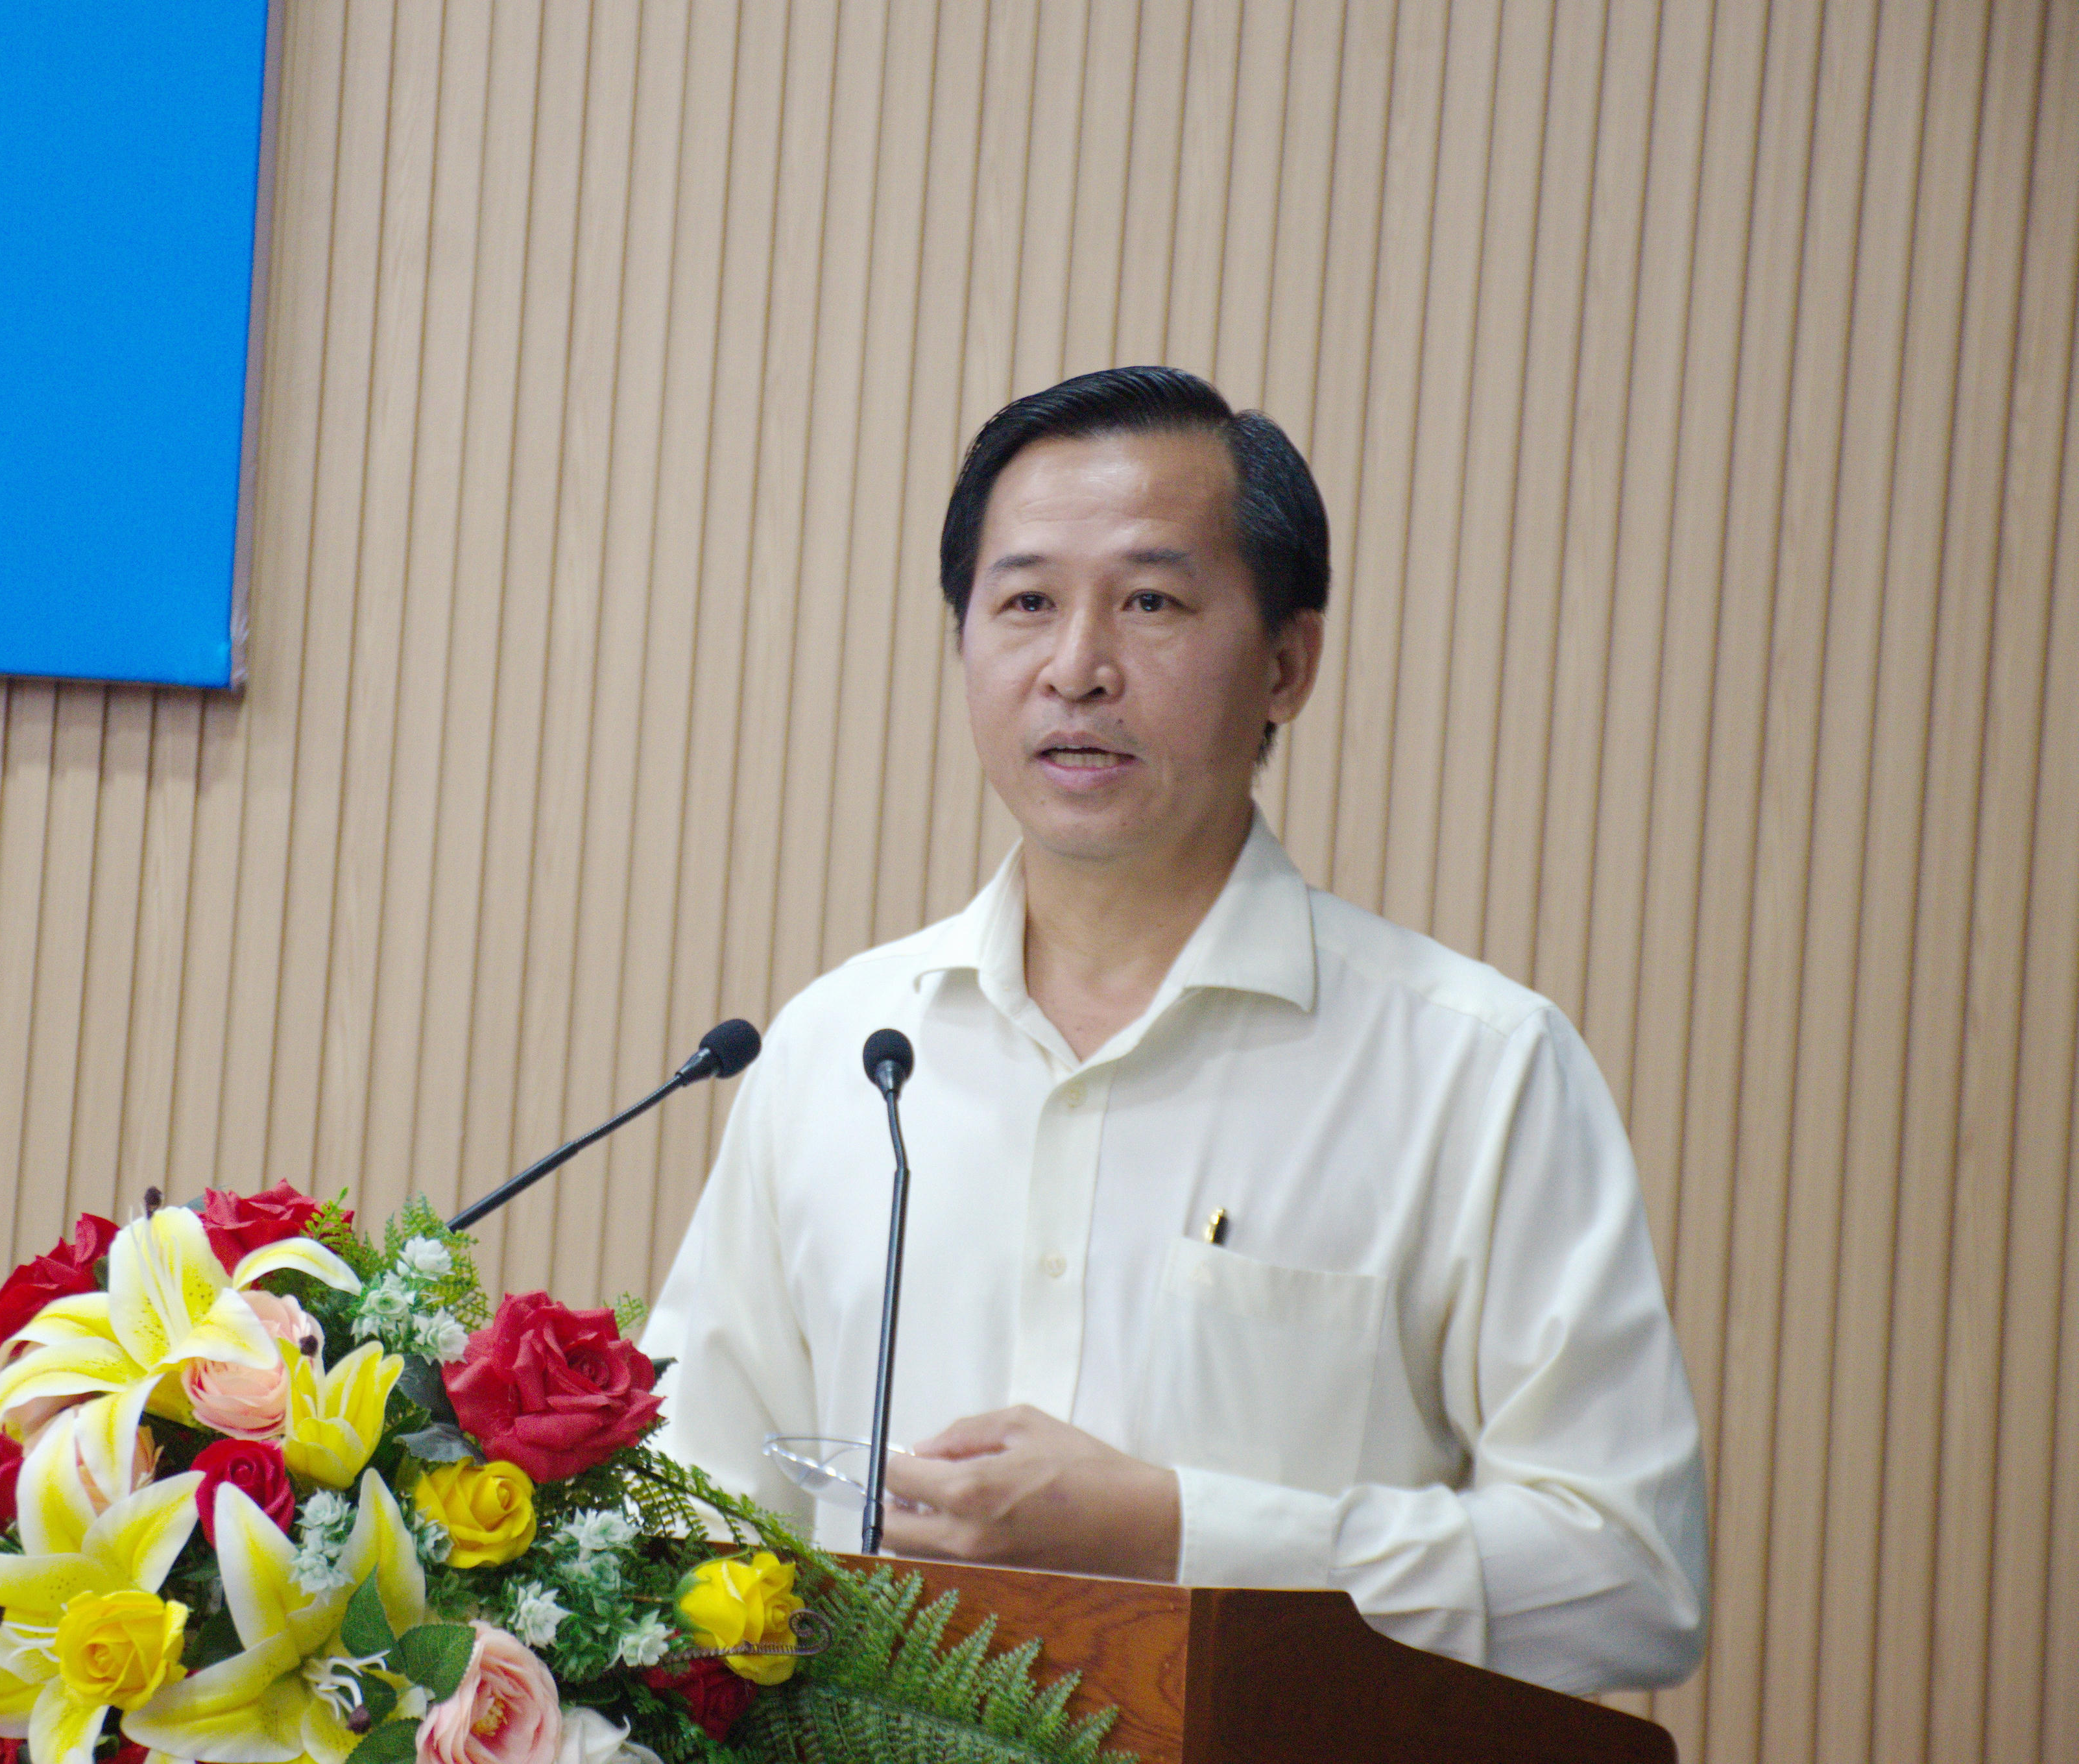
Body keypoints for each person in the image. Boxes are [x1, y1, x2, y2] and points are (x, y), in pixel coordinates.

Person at [639, 366, 1708, 1694]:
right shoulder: (837, 1048)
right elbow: (686, 1498)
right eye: (1026, 603)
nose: (1076, 668)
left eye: (1150, 602)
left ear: (1287, 664)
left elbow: (1631, 1579)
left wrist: (1181, 1532)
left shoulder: (1477, 1068)